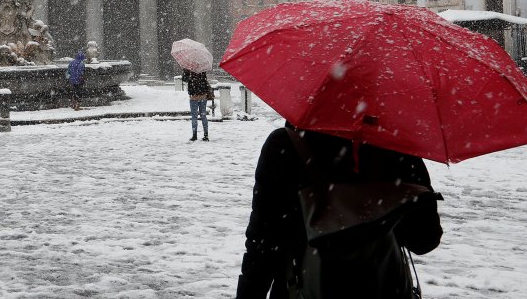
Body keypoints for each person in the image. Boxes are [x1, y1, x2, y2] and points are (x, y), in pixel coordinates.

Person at [235, 125, 443, 298]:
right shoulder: (395, 145)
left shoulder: (285, 144)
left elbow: (263, 245)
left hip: (301, 288)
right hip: (382, 287)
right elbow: (425, 239)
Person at [181, 68, 211, 141]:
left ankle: (195, 135)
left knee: (194, 116)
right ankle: (205, 135)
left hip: (194, 95)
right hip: (202, 95)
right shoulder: (202, 68)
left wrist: (187, 73)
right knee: (203, 115)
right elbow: (204, 81)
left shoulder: (189, 68)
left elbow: (184, 79)